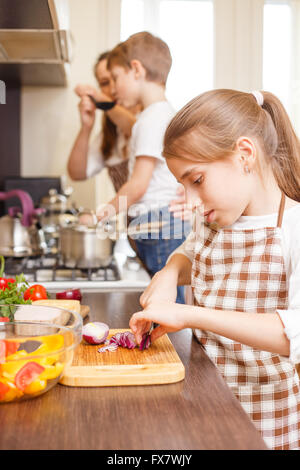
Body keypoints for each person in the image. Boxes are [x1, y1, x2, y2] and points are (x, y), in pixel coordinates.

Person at [129, 89, 300, 450]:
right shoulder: (216, 219)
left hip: (263, 419)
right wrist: (169, 274)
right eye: (182, 185)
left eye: (197, 180)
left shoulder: (293, 229)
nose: (191, 202)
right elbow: (192, 253)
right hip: (205, 399)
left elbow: (291, 335)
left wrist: (188, 314)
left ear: (244, 155)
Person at [97, 32, 191, 303]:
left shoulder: (150, 120)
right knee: (166, 295)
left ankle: (171, 346)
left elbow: (138, 185)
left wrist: (100, 214)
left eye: (115, 78)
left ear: (136, 70)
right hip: (163, 222)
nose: (113, 89)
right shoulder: (163, 114)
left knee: (165, 301)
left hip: (159, 222)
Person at [67, 51, 139, 192]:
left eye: (116, 78)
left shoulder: (149, 117)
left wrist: (101, 99)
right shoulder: (109, 135)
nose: (112, 89)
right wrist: (86, 127)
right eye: (105, 83)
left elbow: (135, 129)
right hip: (132, 214)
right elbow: (77, 173)